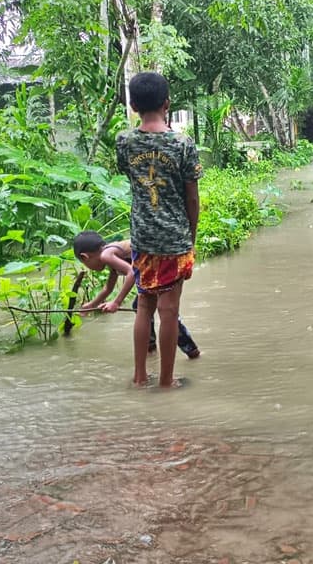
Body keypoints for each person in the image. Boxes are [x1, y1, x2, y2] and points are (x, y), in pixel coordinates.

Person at [117, 72, 201, 388]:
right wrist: (190, 238)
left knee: (144, 308)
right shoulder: (182, 144)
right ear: (167, 104)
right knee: (169, 311)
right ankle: (166, 381)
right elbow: (192, 197)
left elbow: (129, 175)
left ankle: (140, 377)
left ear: (134, 105)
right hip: (174, 238)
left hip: (142, 236)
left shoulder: (124, 141)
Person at [73, 231, 200, 360]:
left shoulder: (107, 255)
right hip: (163, 261)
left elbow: (131, 273)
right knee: (147, 308)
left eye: (85, 264)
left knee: (163, 311)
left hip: (162, 264)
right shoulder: (110, 255)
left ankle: (189, 349)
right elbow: (108, 288)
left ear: (85, 257)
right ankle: (152, 348)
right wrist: (91, 305)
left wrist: (116, 302)